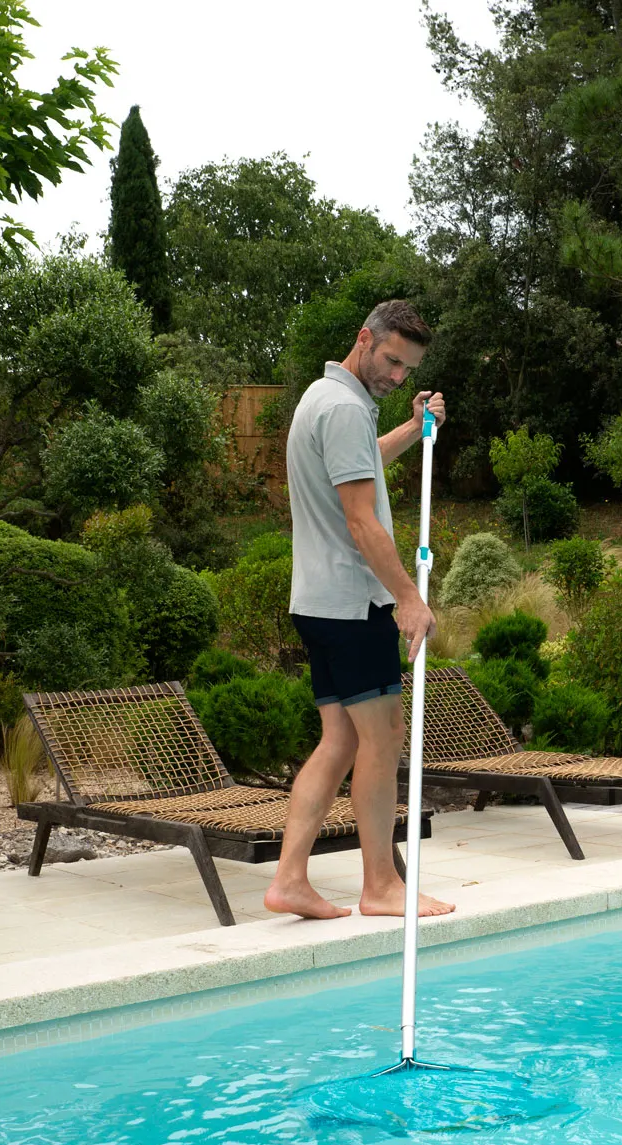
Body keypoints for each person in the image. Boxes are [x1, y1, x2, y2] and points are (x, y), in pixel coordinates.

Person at [263, 300, 456, 921]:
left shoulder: (323, 397)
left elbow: (357, 462)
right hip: (354, 603)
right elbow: (360, 519)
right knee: (383, 737)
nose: (398, 376)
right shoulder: (345, 407)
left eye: (410, 368)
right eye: (392, 360)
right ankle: (381, 885)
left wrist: (414, 427)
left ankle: (290, 880)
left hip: (317, 603)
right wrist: (408, 597)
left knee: (341, 739)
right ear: (364, 340)